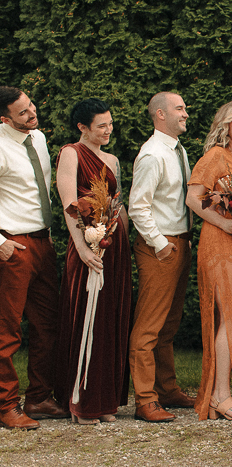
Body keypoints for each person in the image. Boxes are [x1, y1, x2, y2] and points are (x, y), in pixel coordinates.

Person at [54, 98, 131, 424]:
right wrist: (83, 249)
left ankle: (104, 401)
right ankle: (81, 403)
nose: (108, 130)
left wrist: (130, 242)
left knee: (110, 321)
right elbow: (69, 204)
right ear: (82, 127)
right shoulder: (70, 153)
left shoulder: (111, 159)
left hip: (114, 247)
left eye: (110, 124)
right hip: (87, 246)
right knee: (88, 320)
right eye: (101, 125)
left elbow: (117, 205)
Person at [187, 100, 232, 421]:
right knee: (229, 316)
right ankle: (220, 395)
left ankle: (231, 391)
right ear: (225, 126)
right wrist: (225, 223)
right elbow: (193, 198)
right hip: (219, 243)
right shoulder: (215, 157)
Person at [0, 86, 69, 429]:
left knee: (48, 325)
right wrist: (0, 242)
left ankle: (39, 398)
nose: (32, 114)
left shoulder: (38, 138)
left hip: (44, 242)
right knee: (7, 330)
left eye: (32, 106)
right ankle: (5, 406)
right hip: (13, 247)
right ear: (4, 118)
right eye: (23, 112)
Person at [129, 92, 195, 422]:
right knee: (148, 328)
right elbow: (137, 207)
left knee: (168, 325)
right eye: (179, 109)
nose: (186, 113)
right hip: (161, 248)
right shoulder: (153, 155)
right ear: (160, 114)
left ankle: (167, 389)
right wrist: (160, 244)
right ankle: (144, 399)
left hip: (180, 243)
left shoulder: (177, 151)